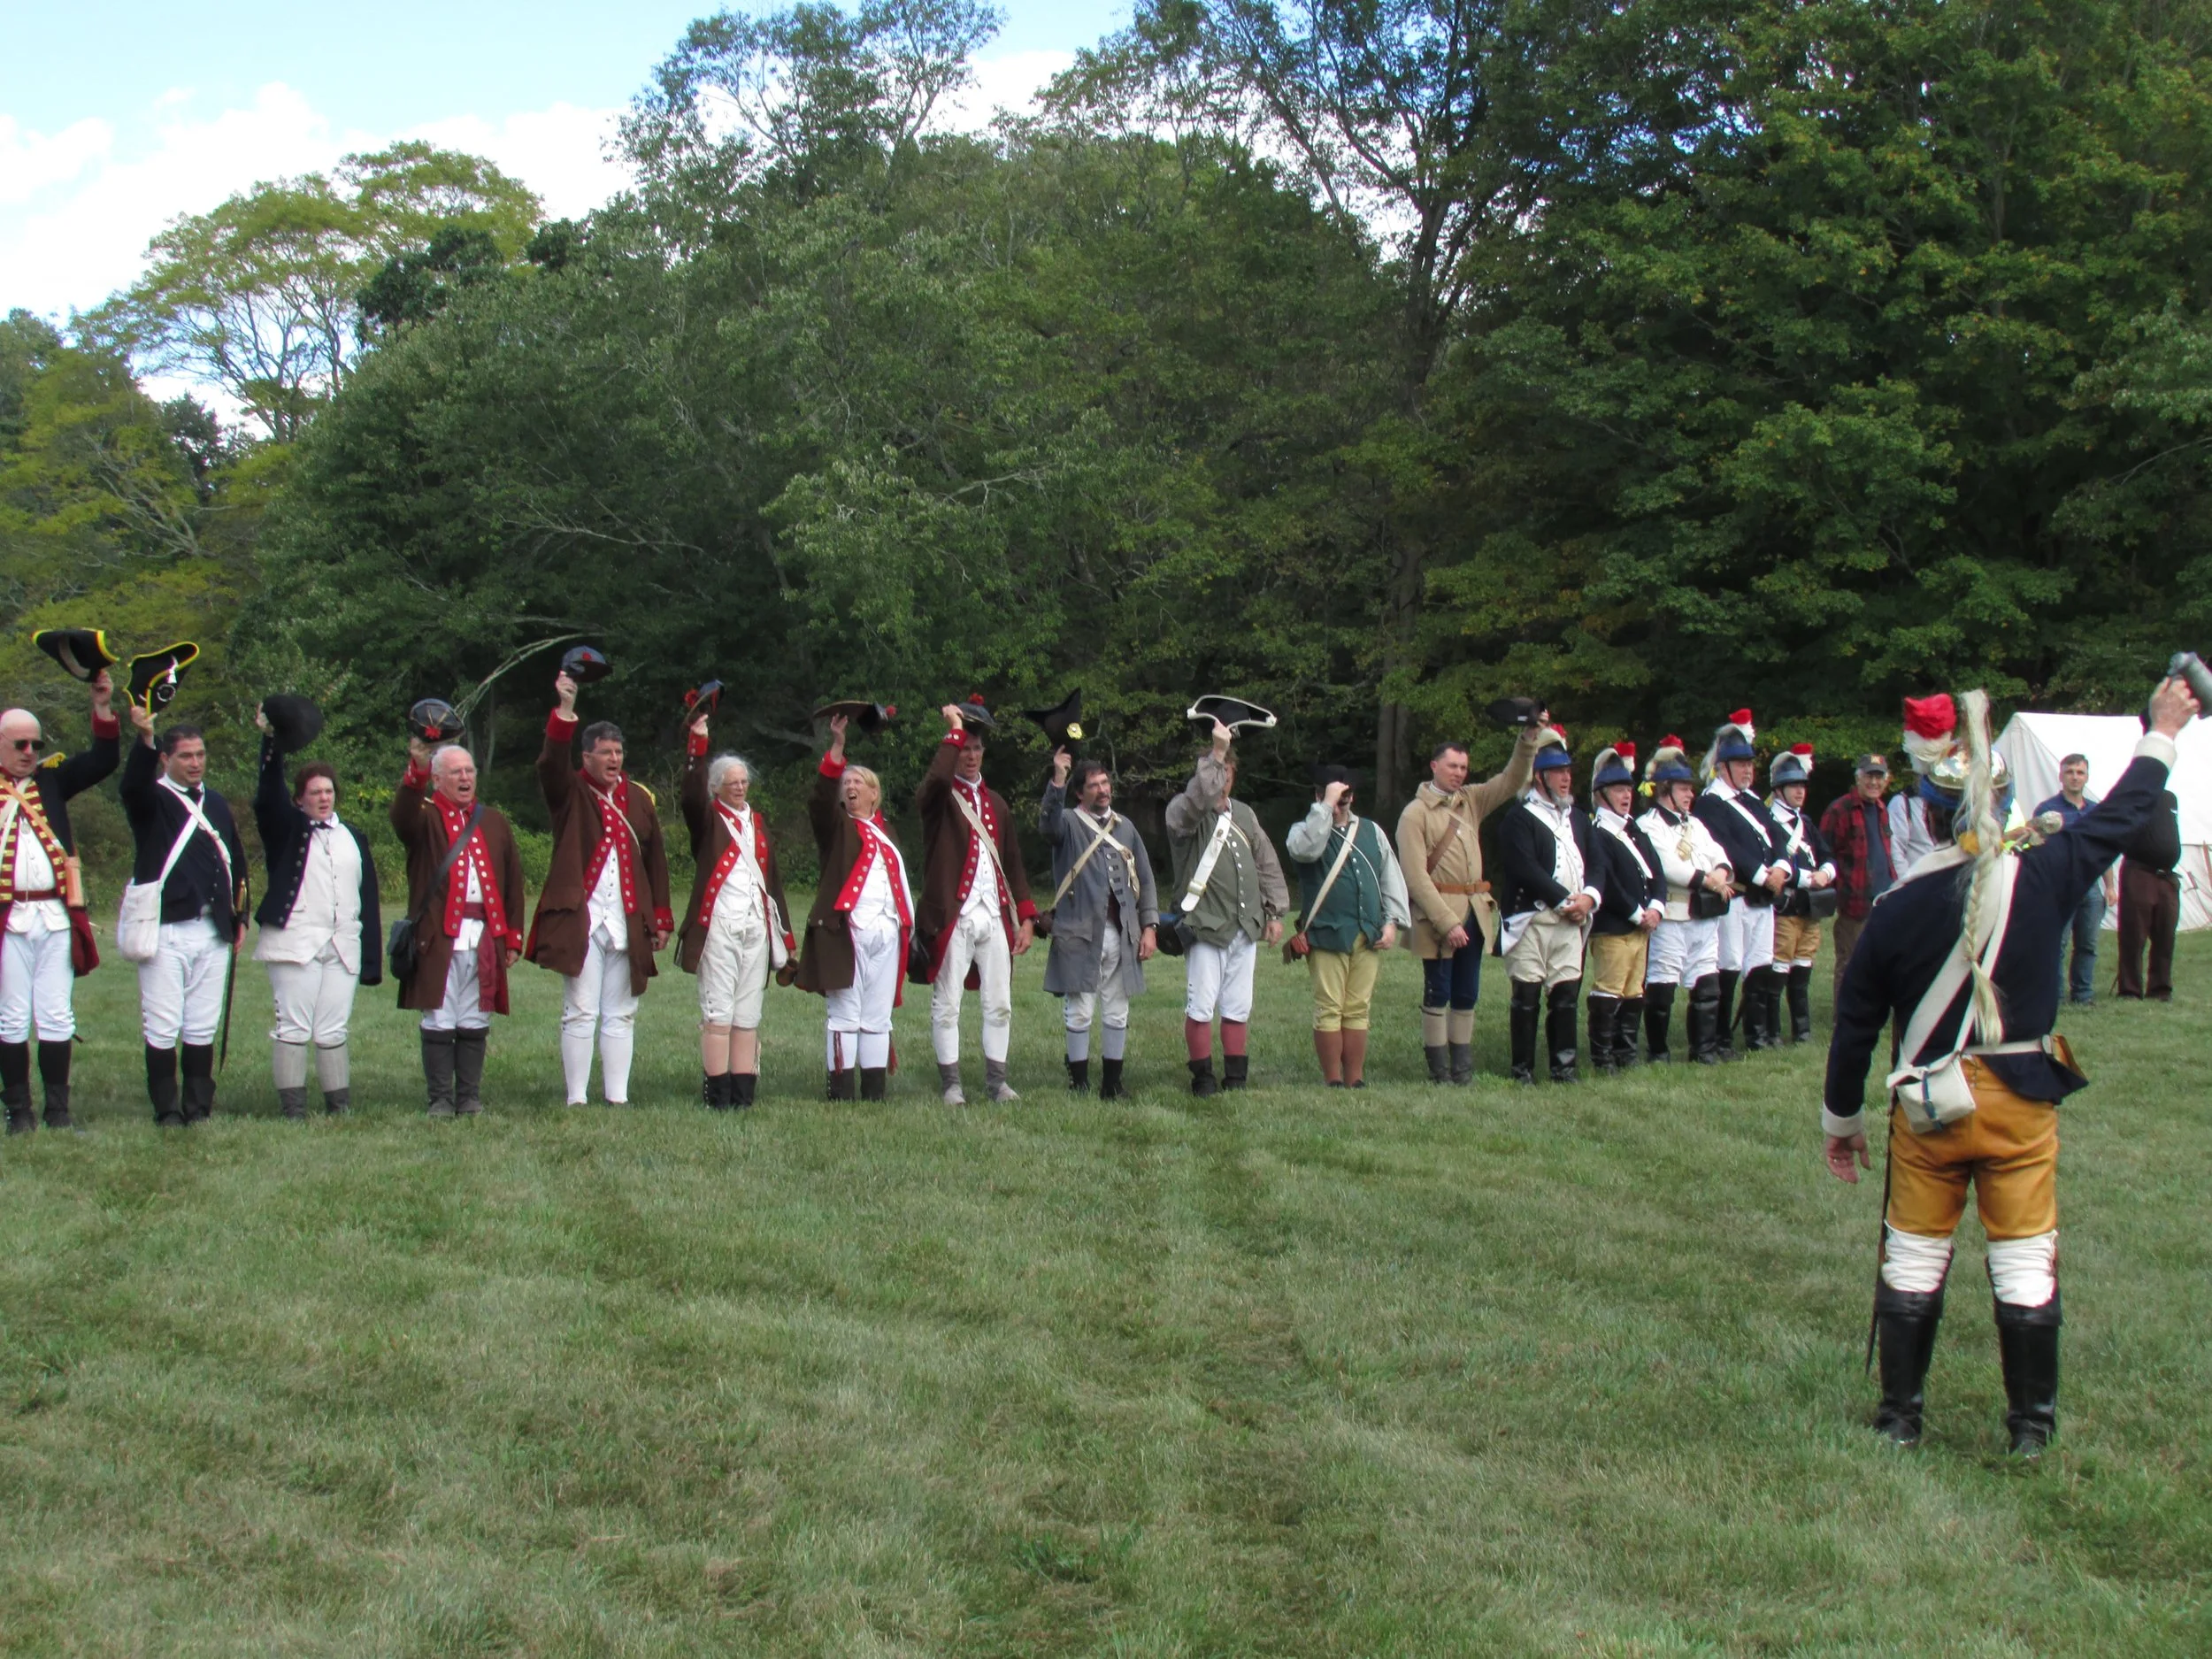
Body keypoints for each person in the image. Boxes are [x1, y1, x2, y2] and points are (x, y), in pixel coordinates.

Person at [1823, 675, 2199, 1456]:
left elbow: (1854, 1030)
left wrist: (1843, 1121)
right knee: (2024, 1262)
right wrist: (2163, 727)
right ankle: (2031, 1428)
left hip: (1930, 1110)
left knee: (1915, 1256)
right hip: (2021, 1103)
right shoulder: (2053, 871)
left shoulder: (1894, 910)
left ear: (1922, 812)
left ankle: (1900, 1418)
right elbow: (2128, 812)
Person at [528, 673, 673, 1108]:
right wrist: (566, 709)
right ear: (587, 757)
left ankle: (617, 1096)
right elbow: (550, 764)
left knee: (622, 1011)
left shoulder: (639, 799)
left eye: (618, 751)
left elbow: (656, 862)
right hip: (583, 917)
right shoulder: (570, 791)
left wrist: (660, 918)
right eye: (605, 752)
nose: (614, 759)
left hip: (627, 917)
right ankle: (576, 1097)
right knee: (580, 1009)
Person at [0, 674, 119, 1133]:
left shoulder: (51, 782)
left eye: (36, 743)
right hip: (9, 919)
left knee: (55, 1013)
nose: (30, 752)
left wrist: (102, 708)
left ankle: (58, 1113)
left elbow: (104, 760)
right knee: (11, 1015)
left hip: (53, 914)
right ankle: (19, 1114)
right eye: (20, 744)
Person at [1396, 726, 1544, 1086]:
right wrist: (1447, 922)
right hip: (1438, 915)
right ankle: (1439, 1072)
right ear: (1434, 766)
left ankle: (1462, 1070)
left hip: (1475, 910)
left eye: (1463, 767)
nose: (1459, 773)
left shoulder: (1471, 800)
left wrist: (1527, 741)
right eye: (1452, 766)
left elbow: (1511, 780)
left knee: (1467, 993)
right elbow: (1415, 878)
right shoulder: (1414, 814)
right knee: (1439, 990)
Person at [120, 707, 247, 1126]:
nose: (196, 763)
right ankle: (167, 1109)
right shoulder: (152, 800)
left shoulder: (217, 802)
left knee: (201, 1023)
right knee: (162, 1024)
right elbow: (131, 787)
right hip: (167, 930)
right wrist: (144, 739)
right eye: (186, 756)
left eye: (200, 755)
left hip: (213, 929)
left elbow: (236, 861)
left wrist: (240, 916)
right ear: (166, 759)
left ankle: (198, 1106)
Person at [251, 706, 380, 1118]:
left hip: (341, 943)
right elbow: (267, 796)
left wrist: (372, 958)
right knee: (294, 1026)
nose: (323, 798)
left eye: (328, 792)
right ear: (299, 799)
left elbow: (368, 898)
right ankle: (293, 1108)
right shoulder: (286, 828)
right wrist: (270, 743)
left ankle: (337, 1104)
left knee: (332, 1028)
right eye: (314, 793)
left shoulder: (352, 836)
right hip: (296, 940)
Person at [391, 735, 526, 1118]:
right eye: (456, 772)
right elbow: (401, 817)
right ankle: (440, 1099)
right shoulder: (425, 816)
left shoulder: (495, 821)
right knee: (438, 1014)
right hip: (438, 936)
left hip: (485, 936)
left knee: (475, 1014)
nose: (465, 778)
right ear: (437, 780)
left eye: (469, 771)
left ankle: (468, 1097)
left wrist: (512, 937)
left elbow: (513, 881)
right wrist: (415, 770)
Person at [913, 701, 1037, 1105]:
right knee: (947, 1002)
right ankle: (951, 1084)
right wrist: (951, 730)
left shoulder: (998, 804)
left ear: (983, 753)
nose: (968, 756)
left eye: (974, 749)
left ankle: (996, 1081)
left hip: (994, 915)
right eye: (962, 748)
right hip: (954, 915)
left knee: (998, 1002)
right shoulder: (941, 798)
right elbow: (931, 785)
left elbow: (1014, 863)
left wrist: (1027, 917)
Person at [1164, 718, 1288, 1096]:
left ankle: (1235, 1076)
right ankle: (1202, 1077)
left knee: (1238, 1005)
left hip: (1244, 925)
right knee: (1201, 1004)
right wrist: (1217, 752)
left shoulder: (1246, 815)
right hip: (1205, 924)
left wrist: (1275, 911)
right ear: (1204, 774)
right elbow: (1199, 798)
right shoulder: (1184, 812)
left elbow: (1266, 863)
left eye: (1227, 773)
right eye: (1216, 772)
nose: (1222, 781)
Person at [678, 715, 795, 1110]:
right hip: (720, 926)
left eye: (744, 782)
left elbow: (773, 882)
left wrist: (786, 937)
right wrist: (697, 747)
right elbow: (691, 798)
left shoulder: (757, 824)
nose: (741, 788)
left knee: (748, 1013)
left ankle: (743, 1095)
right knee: (719, 1012)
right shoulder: (708, 820)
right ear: (718, 788)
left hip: (755, 926)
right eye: (733, 783)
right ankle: (718, 1094)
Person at [797, 713, 913, 1101]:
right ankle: (841, 1092)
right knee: (845, 1015)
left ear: (873, 794)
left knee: (878, 1017)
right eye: (845, 783)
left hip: (886, 931)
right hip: (846, 931)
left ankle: (874, 1092)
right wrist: (837, 751)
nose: (849, 787)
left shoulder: (887, 831)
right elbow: (818, 802)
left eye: (857, 782)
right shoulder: (836, 827)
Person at [1041, 751, 1158, 1097]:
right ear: (1080, 793)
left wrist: (1149, 926)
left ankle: (1112, 1083)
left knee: (1117, 1009)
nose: (1102, 790)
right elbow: (1047, 826)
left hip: (1123, 933)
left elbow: (1146, 881)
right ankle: (1078, 1082)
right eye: (1093, 785)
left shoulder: (1126, 828)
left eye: (1105, 782)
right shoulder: (1068, 822)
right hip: (1079, 932)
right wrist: (1057, 780)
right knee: (1079, 1010)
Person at [1285, 766, 1409, 1087]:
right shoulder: (1305, 830)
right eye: (1333, 796)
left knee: (1357, 1008)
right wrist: (1324, 807)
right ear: (1318, 795)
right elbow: (1305, 850)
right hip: (1326, 932)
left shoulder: (1371, 830)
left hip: (1366, 933)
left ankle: (1355, 1078)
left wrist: (1391, 923)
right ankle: (1333, 1079)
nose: (1341, 803)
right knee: (1329, 1008)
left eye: (1345, 797)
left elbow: (1389, 877)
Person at [1492, 727, 1600, 1084]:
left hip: (1571, 920)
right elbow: (1524, 867)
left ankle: (1564, 1069)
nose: (1567, 778)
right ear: (1540, 777)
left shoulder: (1578, 818)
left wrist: (1588, 898)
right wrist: (1564, 899)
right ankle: (1521, 1071)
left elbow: (1597, 864)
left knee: (1566, 995)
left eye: (1568, 772)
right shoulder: (1519, 819)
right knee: (1527, 996)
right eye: (1559, 772)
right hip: (1533, 919)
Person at [1694, 710, 1791, 1055]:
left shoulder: (1753, 801)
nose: (1749, 770)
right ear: (1723, 768)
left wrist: (1781, 866)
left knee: (1760, 965)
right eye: (1741, 764)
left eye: (1750, 764)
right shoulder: (1710, 803)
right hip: (1736, 896)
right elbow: (1726, 846)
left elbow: (1777, 837)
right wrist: (1764, 875)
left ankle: (1757, 1033)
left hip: (1763, 895)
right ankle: (1720, 1036)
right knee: (1729, 966)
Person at [1637, 740, 1736, 1064]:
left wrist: (1720, 872)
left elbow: (1718, 855)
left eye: (1690, 789)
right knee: (1662, 986)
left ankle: (1703, 1050)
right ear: (1664, 789)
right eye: (1683, 788)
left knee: (1707, 982)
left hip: (1704, 914)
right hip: (1672, 914)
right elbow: (1668, 866)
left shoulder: (1695, 824)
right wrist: (1709, 879)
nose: (1689, 795)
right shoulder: (1648, 825)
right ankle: (1658, 1052)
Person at [1586, 744, 1664, 1074]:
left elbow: (1656, 873)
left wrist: (1657, 908)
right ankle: (1603, 1058)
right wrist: (1637, 913)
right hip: (1615, 925)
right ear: (1601, 793)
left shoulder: (1635, 831)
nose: (1626, 795)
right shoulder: (1598, 833)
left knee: (1634, 993)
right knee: (1609, 992)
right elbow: (1609, 883)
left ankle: (1626, 1052)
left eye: (1628, 789)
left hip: (1641, 927)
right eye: (1618, 789)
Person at [1766, 743, 1839, 1044]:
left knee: (1803, 969)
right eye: (1793, 786)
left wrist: (1827, 873)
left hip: (1810, 907)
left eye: (1801, 785)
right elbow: (1777, 866)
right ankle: (1772, 1031)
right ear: (1779, 789)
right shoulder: (1769, 822)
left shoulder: (1805, 822)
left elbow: (1828, 856)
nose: (1800, 791)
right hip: (1787, 906)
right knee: (1779, 970)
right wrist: (1812, 878)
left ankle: (1802, 1030)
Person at [2033, 754, 2117, 1006]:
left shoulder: (2096, 811)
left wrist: (2111, 886)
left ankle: (2083, 995)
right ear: (2061, 776)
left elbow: (2104, 852)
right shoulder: (2047, 810)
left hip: (2090, 887)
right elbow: (2035, 846)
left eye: (2080, 772)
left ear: (2087, 777)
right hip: (2059, 886)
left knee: (2088, 945)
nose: (2075, 777)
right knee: (2057, 944)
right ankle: (2054, 994)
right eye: (2070, 772)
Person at [1817, 755, 1897, 989]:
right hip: (1855, 904)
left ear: (1886, 780)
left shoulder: (1882, 809)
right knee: (1850, 966)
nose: (1874, 782)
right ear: (1858, 778)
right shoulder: (1840, 810)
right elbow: (1824, 854)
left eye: (1879, 776)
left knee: (1880, 965)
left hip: (1883, 901)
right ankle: (1842, 1021)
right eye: (1869, 776)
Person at [2114, 785, 2182, 1001]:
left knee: (2165, 934)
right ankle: (2130, 989)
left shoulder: (2170, 798)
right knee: (2134, 934)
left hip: (2166, 876)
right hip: (2140, 871)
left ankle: (2161, 988)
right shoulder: (2132, 795)